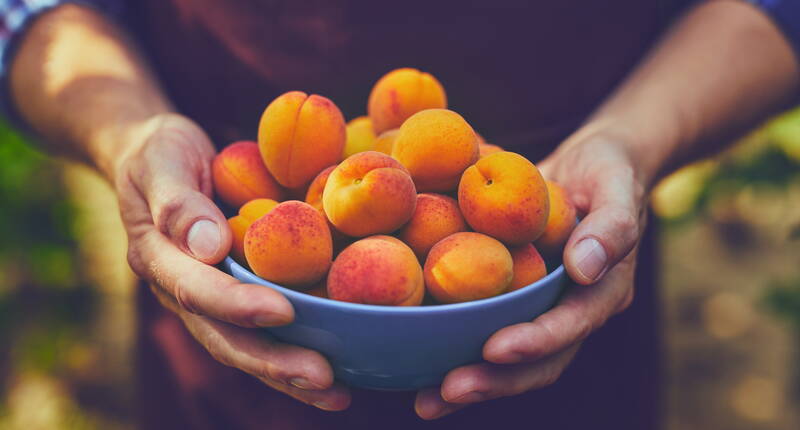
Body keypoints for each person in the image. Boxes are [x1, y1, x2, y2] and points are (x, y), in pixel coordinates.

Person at [1, 0, 798, 428]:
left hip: (576, 254)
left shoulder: (474, 202)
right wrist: (130, 131)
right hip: (223, 284)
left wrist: (634, 136)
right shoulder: (301, 194)